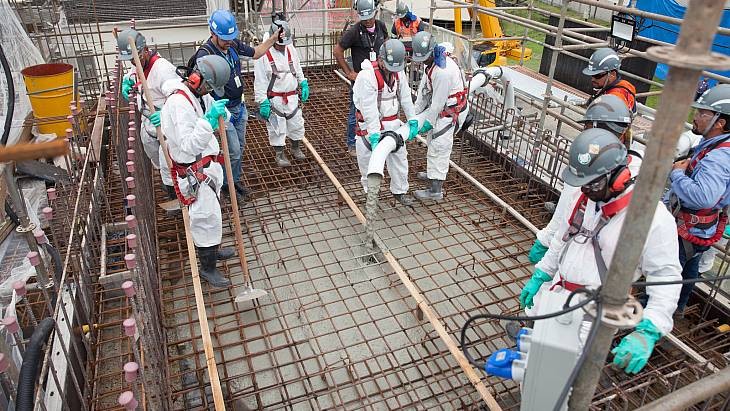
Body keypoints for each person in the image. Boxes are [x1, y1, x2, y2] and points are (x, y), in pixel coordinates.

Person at [524, 128, 682, 375]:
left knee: (559, 377)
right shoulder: (584, 196)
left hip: (593, 313)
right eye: (582, 183)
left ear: (618, 176)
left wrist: (650, 328)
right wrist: (542, 273)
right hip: (556, 293)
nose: (586, 190)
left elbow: (666, 277)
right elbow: (562, 238)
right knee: (536, 363)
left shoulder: (652, 218)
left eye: (593, 184)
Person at [529, 95, 639, 264]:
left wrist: (548, 242)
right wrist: (547, 239)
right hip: (574, 247)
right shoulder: (593, 157)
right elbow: (566, 209)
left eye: (588, 127)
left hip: (594, 256)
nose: (585, 133)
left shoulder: (631, 170)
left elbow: (570, 215)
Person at [159, 55, 237, 288]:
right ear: (196, 78)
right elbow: (187, 146)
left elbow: (221, 115)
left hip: (207, 167)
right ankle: (207, 267)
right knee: (205, 219)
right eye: (209, 87)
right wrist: (208, 122)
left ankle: (213, 250)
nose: (210, 92)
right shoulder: (178, 103)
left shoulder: (199, 95)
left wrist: (222, 114)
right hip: (194, 173)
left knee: (213, 216)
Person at [188, 9, 282, 200]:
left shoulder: (233, 44)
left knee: (239, 147)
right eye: (225, 38)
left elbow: (256, 53)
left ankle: (234, 181)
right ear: (213, 33)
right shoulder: (205, 55)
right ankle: (226, 185)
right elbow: (196, 86)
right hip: (222, 109)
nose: (228, 42)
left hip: (240, 106)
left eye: (231, 37)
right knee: (233, 151)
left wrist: (273, 38)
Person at [664, 84, 730, 316]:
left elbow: (704, 197)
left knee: (663, 278)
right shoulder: (719, 146)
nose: (696, 116)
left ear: (720, 122)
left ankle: (648, 317)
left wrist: (677, 174)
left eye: (703, 113)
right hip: (700, 229)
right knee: (688, 271)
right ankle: (677, 310)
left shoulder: (718, 158)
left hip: (689, 228)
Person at [353, 39, 418, 206]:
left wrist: (412, 119)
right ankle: (371, 194)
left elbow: (405, 97)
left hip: (393, 124)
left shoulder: (398, 72)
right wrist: (375, 135)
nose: (392, 70)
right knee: (368, 162)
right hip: (369, 126)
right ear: (380, 59)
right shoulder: (367, 76)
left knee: (400, 160)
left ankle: (399, 191)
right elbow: (369, 109)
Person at [118, 28, 178, 200]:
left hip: (166, 125)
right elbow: (134, 73)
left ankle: (177, 196)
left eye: (135, 58)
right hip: (148, 121)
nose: (133, 62)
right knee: (157, 160)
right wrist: (127, 80)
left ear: (145, 50)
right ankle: (169, 186)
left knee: (170, 164)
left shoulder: (163, 70)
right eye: (130, 60)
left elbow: (178, 98)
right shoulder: (139, 63)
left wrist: (165, 115)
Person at [411, 31, 469, 202]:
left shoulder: (442, 72)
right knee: (432, 142)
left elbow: (437, 103)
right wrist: (414, 116)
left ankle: (435, 190)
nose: (422, 61)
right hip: (442, 109)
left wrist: (428, 123)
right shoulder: (431, 63)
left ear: (432, 51)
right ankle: (432, 174)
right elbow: (423, 92)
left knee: (439, 146)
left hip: (450, 113)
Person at [334, 0, 389, 157]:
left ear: (375, 13)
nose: (367, 21)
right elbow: (337, 51)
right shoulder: (354, 31)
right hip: (361, 81)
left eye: (370, 18)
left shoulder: (381, 26)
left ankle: (378, 136)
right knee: (356, 110)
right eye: (364, 19)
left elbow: (387, 46)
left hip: (379, 78)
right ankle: (352, 143)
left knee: (380, 107)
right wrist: (349, 72)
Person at [254, 20, 309, 167]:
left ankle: (295, 147)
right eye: (280, 43)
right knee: (277, 127)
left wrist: (303, 82)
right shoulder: (262, 53)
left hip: (292, 95)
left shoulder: (290, 48)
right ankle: (279, 154)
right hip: (275, 97)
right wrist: (262, 101)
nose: (283, 46)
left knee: (296, 123)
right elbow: (260, 80)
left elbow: (297, 67)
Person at [582, 48, 636, 114]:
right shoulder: (608, 88)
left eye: (597, 75)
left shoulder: (615, 99)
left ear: (612, 74)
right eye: (592, 75)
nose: (593, 79)